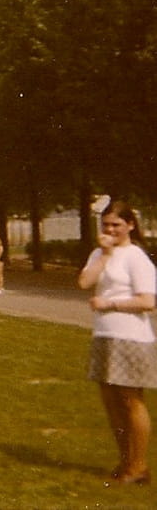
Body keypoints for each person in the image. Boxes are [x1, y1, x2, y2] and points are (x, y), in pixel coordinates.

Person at [77, 200, 156, 485]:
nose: (110, 230)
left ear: (130, 225)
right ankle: (125, 462)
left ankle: (139, 466)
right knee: (111, 402)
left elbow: (147, 302)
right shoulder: (100, 252)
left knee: (130, 401)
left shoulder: (136, 257)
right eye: (106, 224)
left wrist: (110, 303)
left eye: (117, 225)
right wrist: (105, 255)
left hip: (131, 337)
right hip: (105, 335)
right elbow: (84, 282)